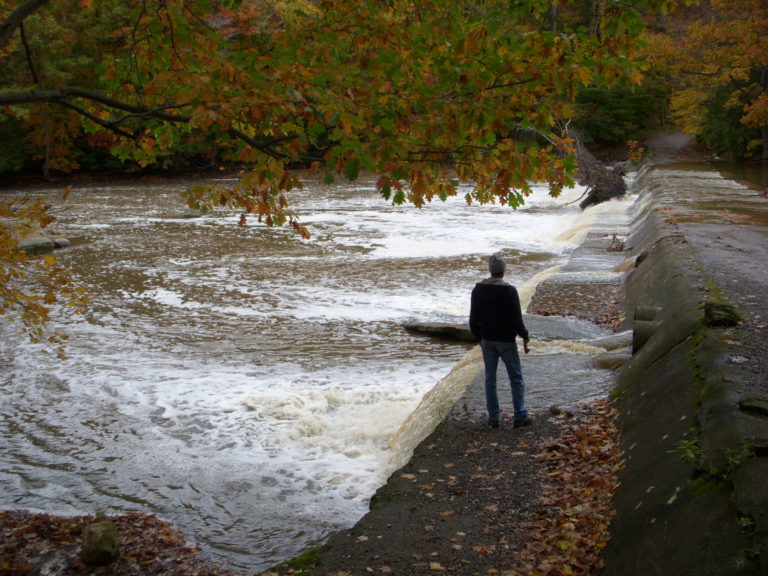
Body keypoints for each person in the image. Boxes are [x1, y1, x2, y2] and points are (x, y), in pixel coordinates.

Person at [469, 253, 531, 429]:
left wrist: (479, 338)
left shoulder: (478, 289)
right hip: (506, 340)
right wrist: (525, 335)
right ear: (503, 271)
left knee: (490, 379)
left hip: (487, 340)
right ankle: (519, 415)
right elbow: (516, 319)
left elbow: (473, 318)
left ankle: (493, 418)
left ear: (491, 271)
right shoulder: (509, 290)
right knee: (516, 378)